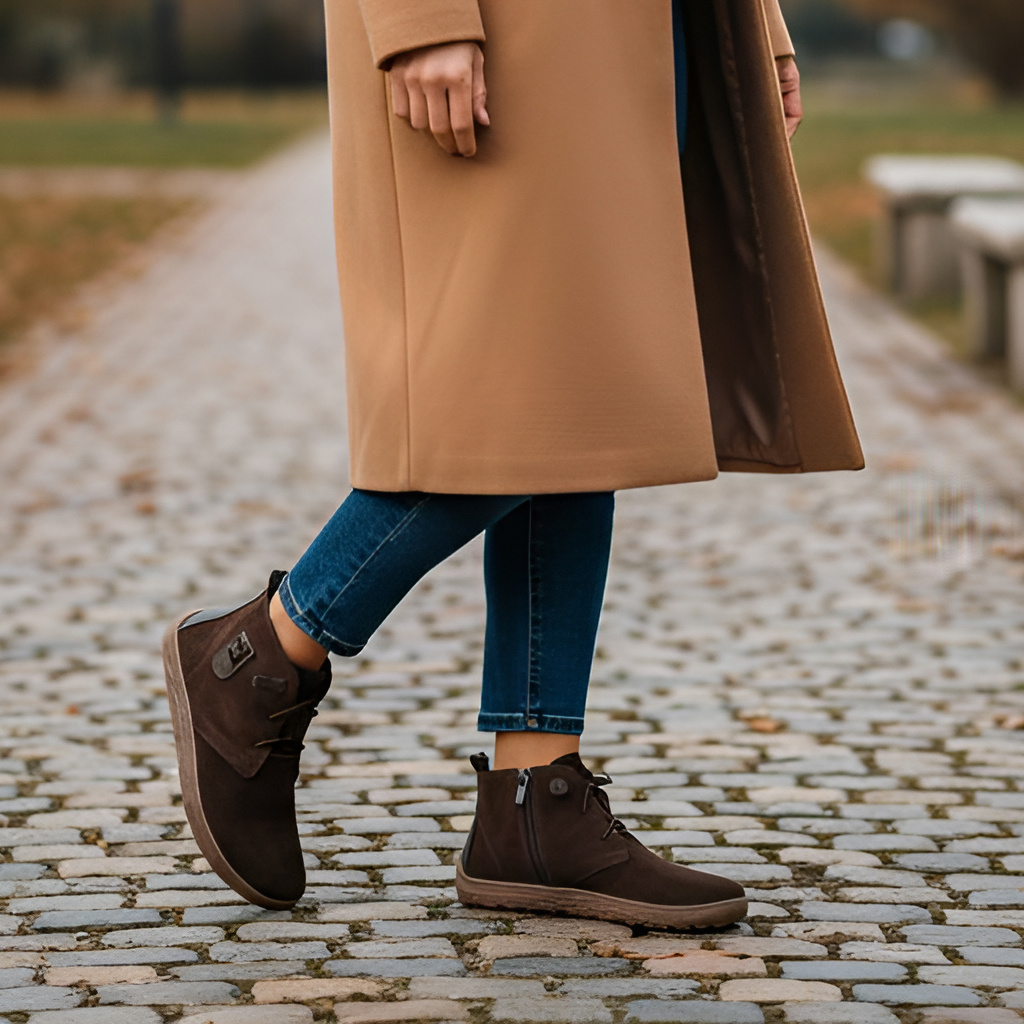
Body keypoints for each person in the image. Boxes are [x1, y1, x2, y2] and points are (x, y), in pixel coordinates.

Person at [162, 0, 863, 927]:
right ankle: (264, 652)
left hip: (645, 30)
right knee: (506, 395)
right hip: (510, 31)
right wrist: (421, 17)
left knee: (581, 389)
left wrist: (757, 22)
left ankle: (535, 801)